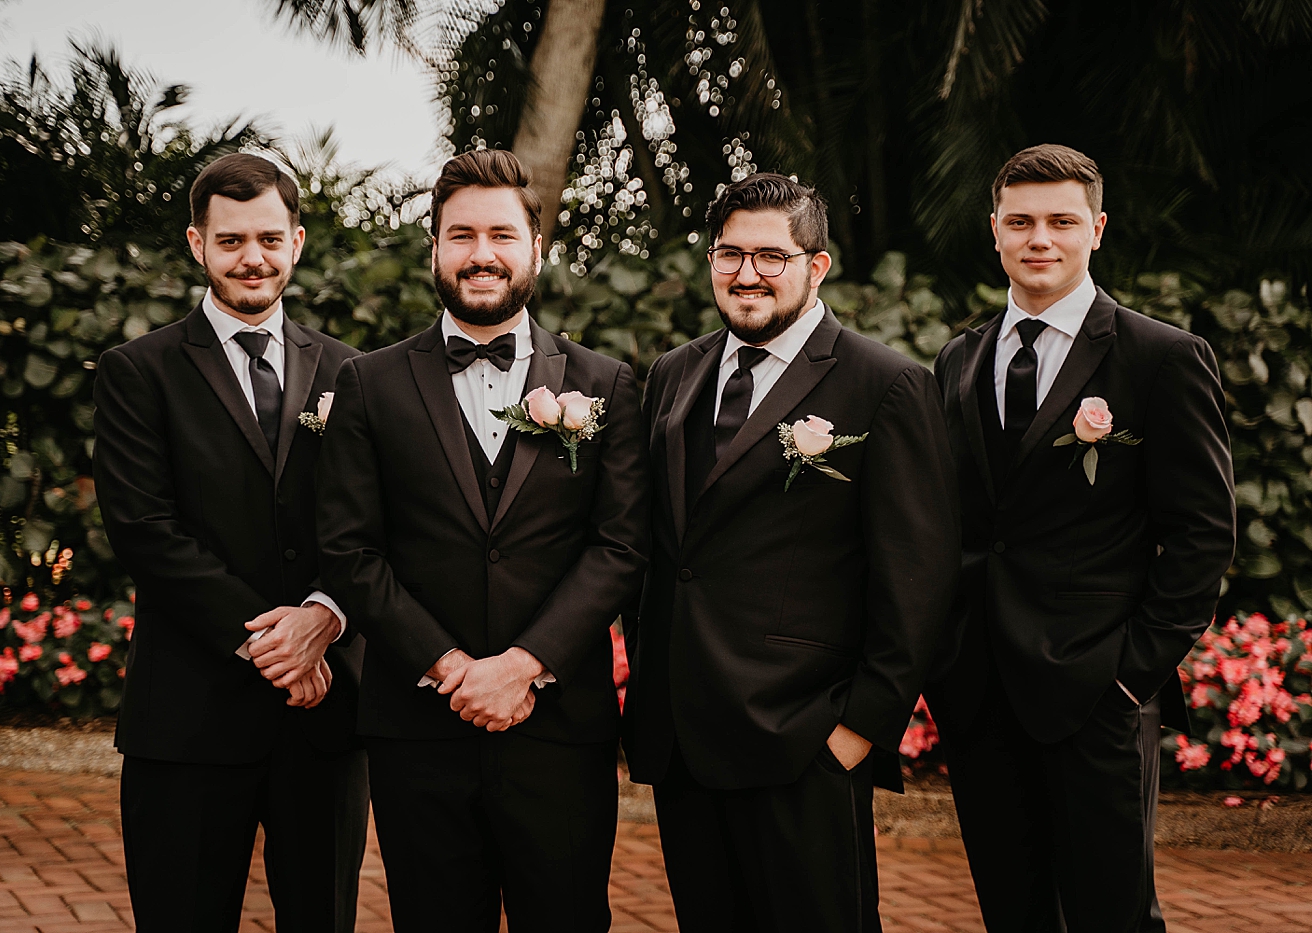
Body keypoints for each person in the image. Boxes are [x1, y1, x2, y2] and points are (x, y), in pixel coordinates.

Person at [315, 148, 649, 933]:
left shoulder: (604, 383)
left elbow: (620, 547)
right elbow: (350, 549)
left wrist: (523, 665)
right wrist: (451, 667)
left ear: (537, 246)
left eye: (501, 234)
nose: (481, 254)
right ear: (434, 247)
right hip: (418, 731)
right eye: (461, 235)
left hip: (558, 732)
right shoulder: (369, 383)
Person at [622, 172, 961, 933]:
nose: (747, 274)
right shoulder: (675, 373)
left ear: (817, 266)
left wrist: (859, 730)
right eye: (729, 254)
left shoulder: (887, 385)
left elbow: (919, 575)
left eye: (771, 256)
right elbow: (662, 547)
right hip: (683, 741)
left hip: (803, 742)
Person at [928, 144, 1236, 933]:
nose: (1040, 238)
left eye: (1062, 221)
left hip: (1097, 692)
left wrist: (1131, 676)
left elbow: (1202, 534)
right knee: (1012, 912)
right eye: (1021, 221)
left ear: (1096, 230)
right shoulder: (958, 359)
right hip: (979, 692)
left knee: (1114, 915)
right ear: (994, 229)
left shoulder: (1160, 357)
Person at [93, 153, 369, 931]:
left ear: (297, 243)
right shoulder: (137, 371)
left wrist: (324, 619)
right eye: (232, 240)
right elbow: (145, 530)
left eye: (270, 239)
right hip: (189, 714)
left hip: (324, 717)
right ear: (197, 244)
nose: (253, 257)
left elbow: (371, 523)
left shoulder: (352, 373)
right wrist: (276, 647)